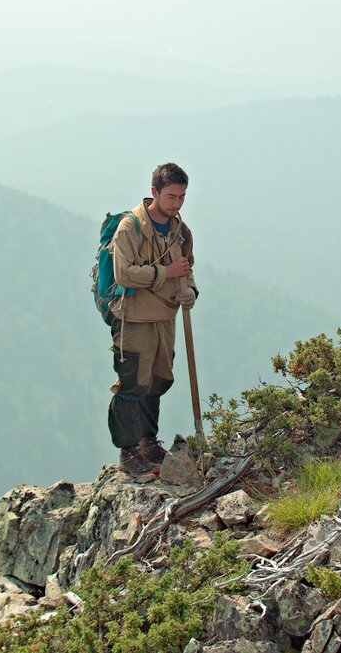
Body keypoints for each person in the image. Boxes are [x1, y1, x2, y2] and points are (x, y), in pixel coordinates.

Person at [107, 162, 198, 476]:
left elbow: (187, 269)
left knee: (158, 380)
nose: (176, 204)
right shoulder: (130, 229)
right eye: (171, 196)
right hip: (134, 318)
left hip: (165, 317)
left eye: (182, 197)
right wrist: (165, 273)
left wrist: (191, 292)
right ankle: (128, 451)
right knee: (133, 382)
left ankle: (148, 442)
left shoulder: (179, 231)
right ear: (154, 192)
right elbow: (124, 274)